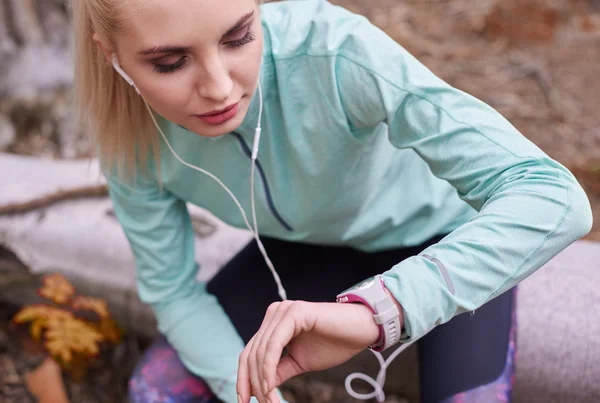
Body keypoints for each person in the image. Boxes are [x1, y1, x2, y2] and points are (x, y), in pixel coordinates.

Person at [71, 0, 592, 402]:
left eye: (238, 37)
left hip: (446, 242)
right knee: (157, 392)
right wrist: (252, 395)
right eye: (170, 61)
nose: (219, 87)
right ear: (109, 54)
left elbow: (553, 196)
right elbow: (172, 290)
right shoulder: (130, 139)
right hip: (310, 252)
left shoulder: (334, 53)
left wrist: (377, 312)